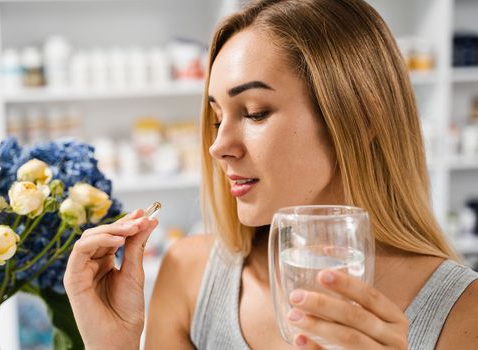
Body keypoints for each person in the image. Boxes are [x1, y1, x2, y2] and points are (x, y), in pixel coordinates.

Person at [63, 0, 478, 349]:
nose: (217, 146)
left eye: (255, 112)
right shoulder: (189, 271)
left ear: (362, 117)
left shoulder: (464, 311)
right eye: (216, 118)